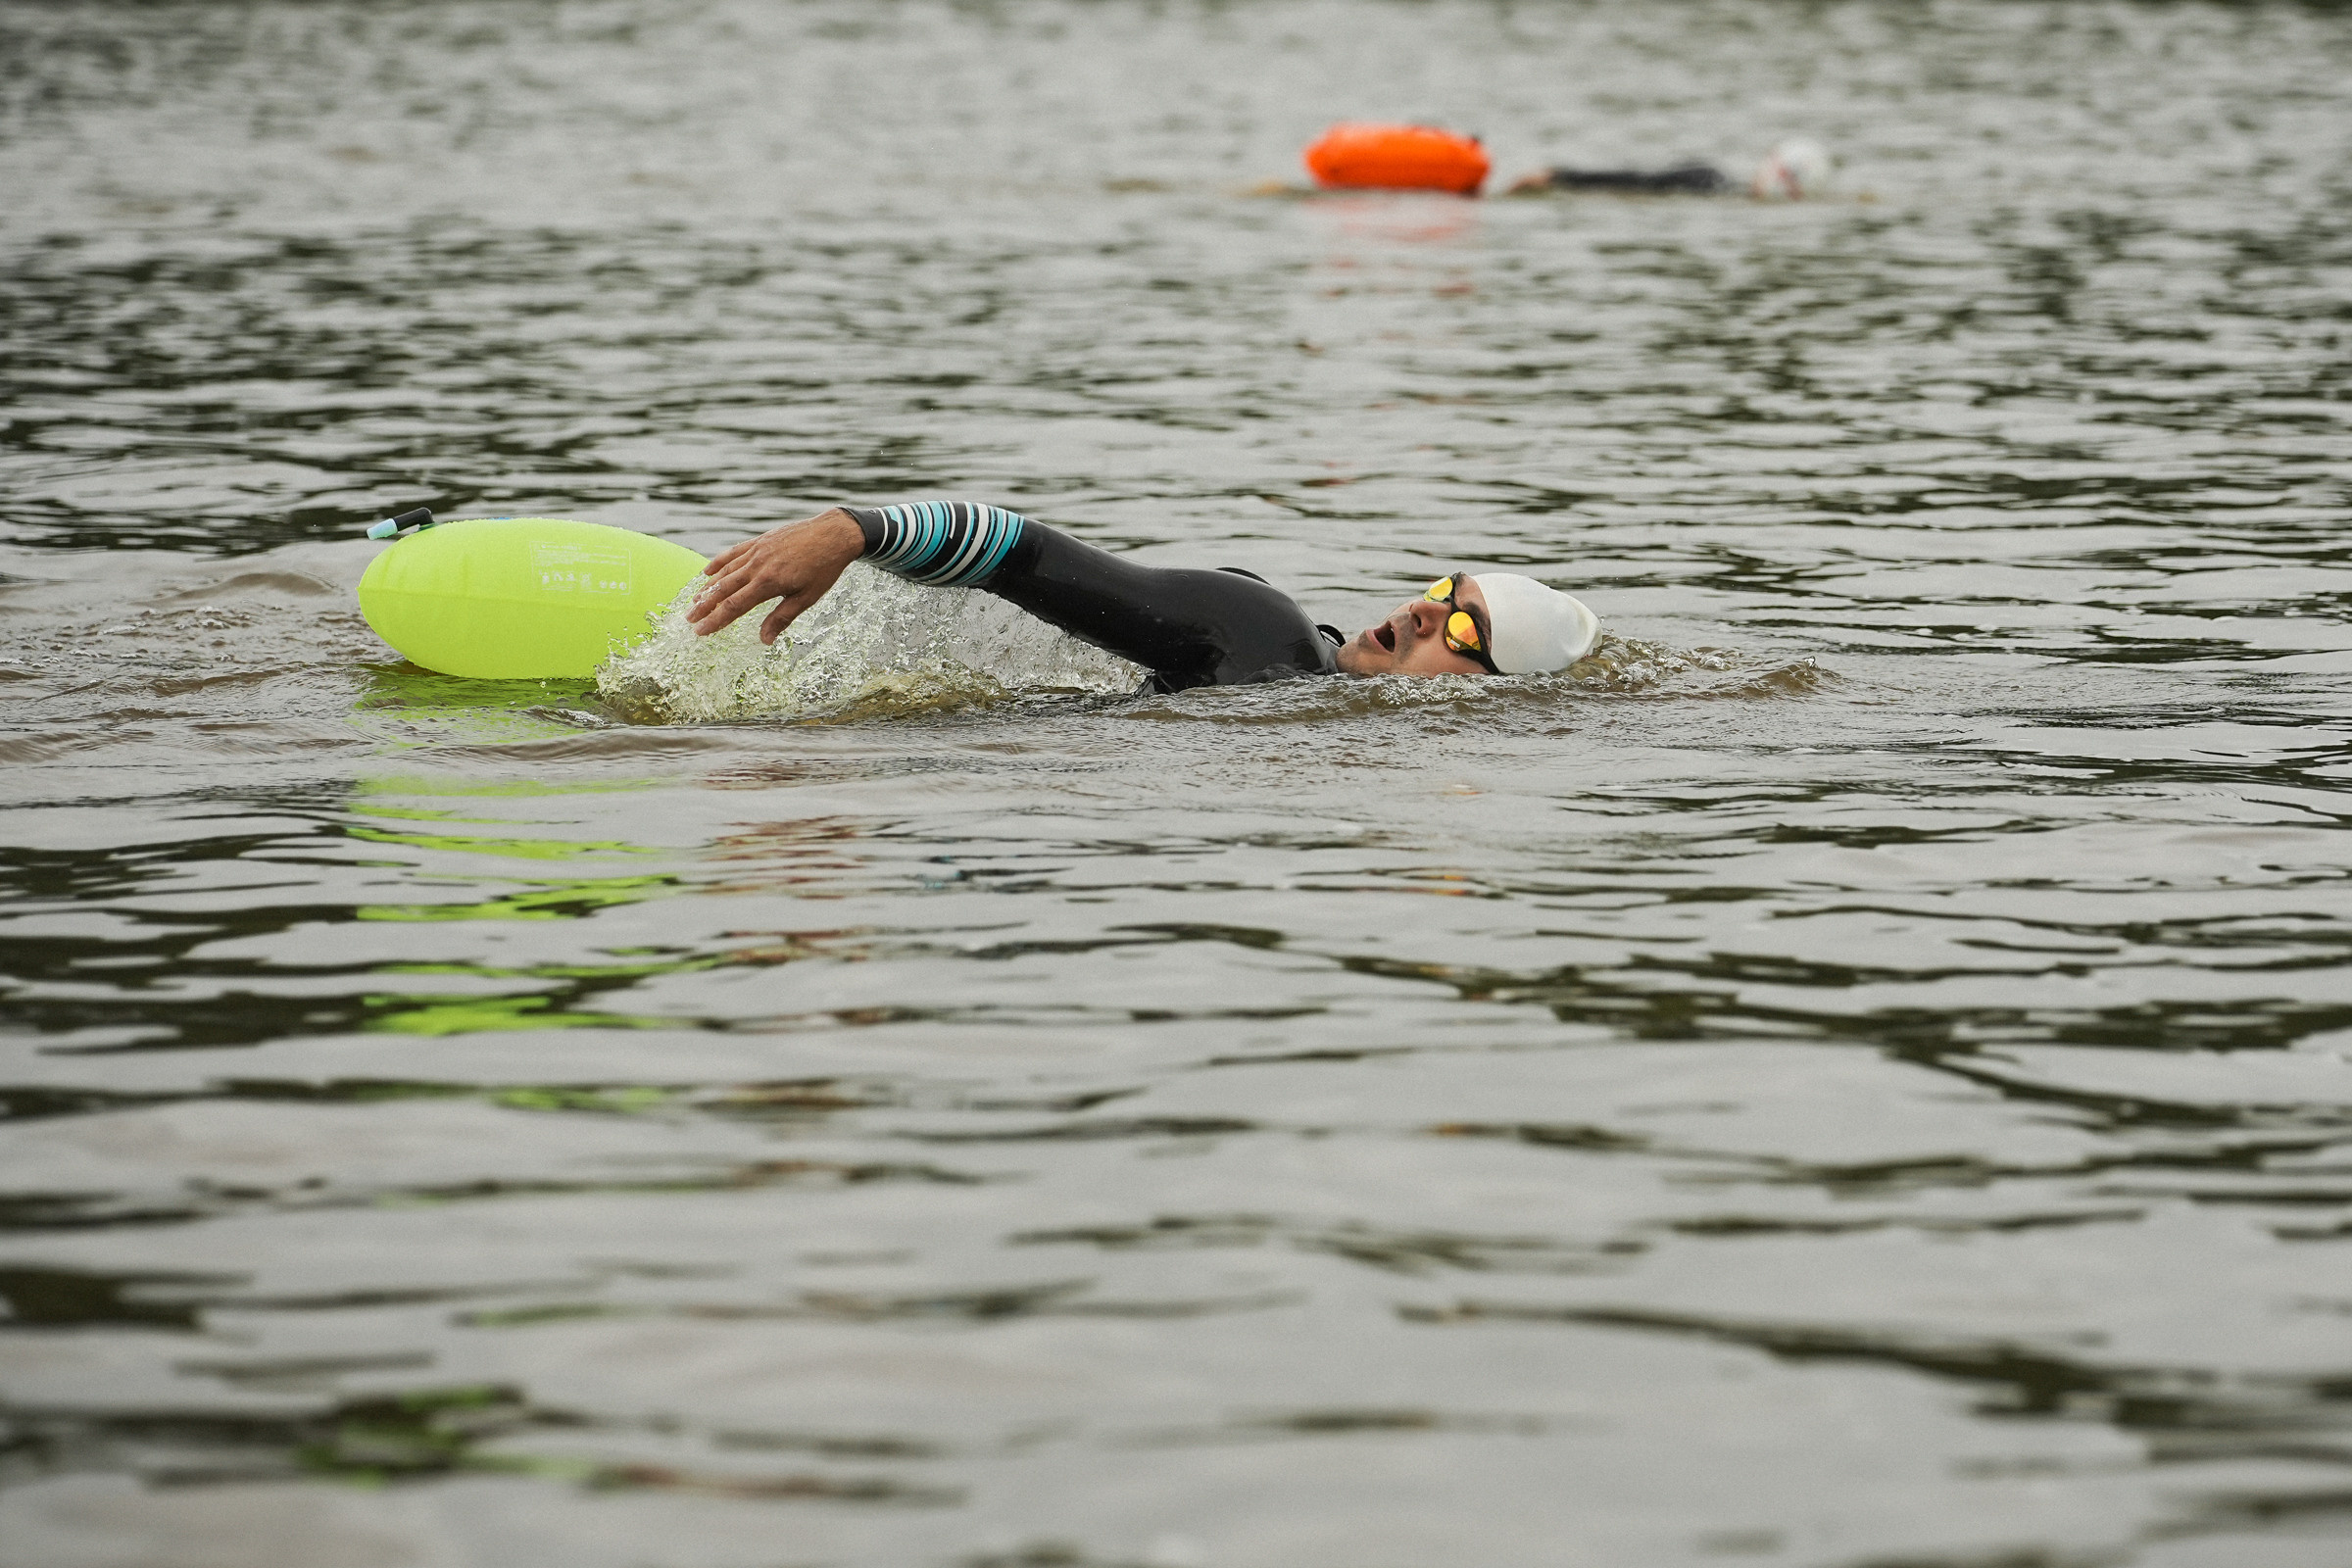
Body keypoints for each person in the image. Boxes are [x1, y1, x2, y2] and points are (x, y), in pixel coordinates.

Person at [686, 501, 1599, 692]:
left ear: (1490, 693)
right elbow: (1036, 560)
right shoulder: (1265, 635)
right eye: (1443, 590)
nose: (1426, 609)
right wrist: (858, 532)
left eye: (1464, 625)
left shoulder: (1299, 688)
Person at [1505, 139, 1830, 200]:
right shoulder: (1705, 181)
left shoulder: (1711, 184)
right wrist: (1561, 177)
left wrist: (1561, 177)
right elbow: (1636, 181)